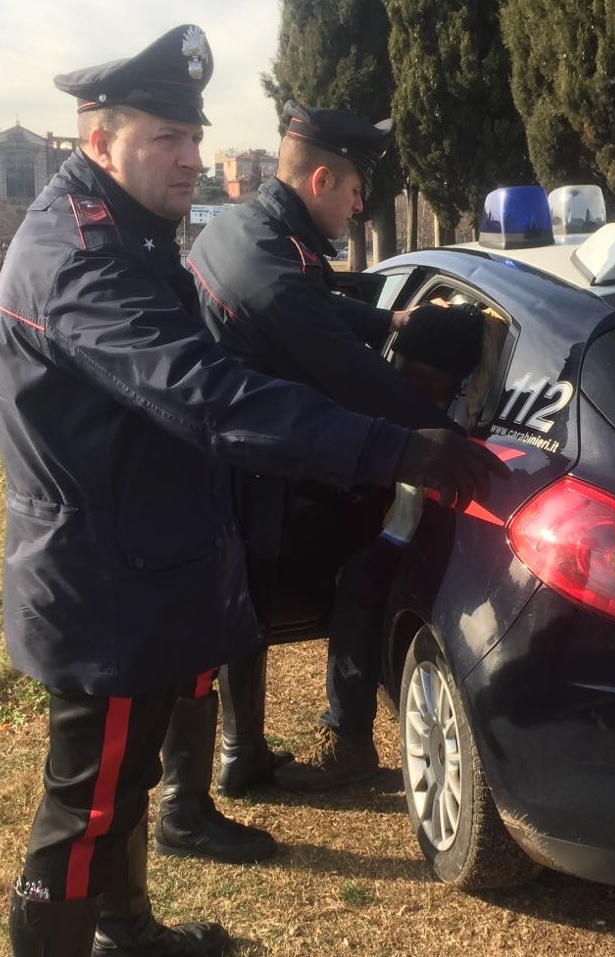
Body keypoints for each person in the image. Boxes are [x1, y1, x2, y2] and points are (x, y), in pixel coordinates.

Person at [0, 25, 506, 957]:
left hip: (143, 560)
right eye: (165, 138)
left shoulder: (130, 228)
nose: (191, 157)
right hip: (100, 585)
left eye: (194, 137)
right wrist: (398, 446)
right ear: (100, 140)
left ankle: (127, 932)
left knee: (131, 778)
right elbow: (207, 392)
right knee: (84, 806)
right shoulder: (78, 258)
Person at [186, 101, 475, 795]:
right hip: (240, 464)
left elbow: (318, 298)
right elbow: (355, 375)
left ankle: (241, 753)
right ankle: (233, 762)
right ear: (320, 180)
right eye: (352, 190)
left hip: (234, 454)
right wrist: (450, 447)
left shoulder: (251, 230)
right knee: (242, 609)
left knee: (243, 608)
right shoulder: (272, 264)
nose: (358, 204)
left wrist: (394, 316)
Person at [270, 300, 490, 791]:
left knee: (360, 584)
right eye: (399, 378)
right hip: (401, 518)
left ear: (459, 386)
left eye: (423, 389)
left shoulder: (469, 420)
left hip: (450, 540)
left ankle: (348, 741)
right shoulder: (399, 393)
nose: (403, 398)